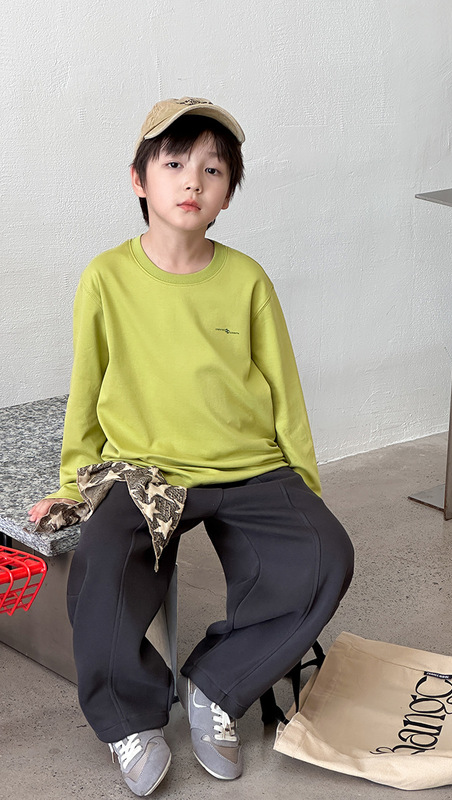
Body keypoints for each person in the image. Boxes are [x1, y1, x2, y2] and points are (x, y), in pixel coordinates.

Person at [28, 97, 354, 797]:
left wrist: (304, 486)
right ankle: (130, 721)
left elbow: (284, 389)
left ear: (227, 194)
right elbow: (86, 389)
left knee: (325, 556)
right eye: (174, 164)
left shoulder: (246, 279)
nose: (192, 182)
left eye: (212, 170)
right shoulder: (106, 277)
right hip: (147, 473)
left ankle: (217, 685)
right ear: (139, 179)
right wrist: (72, 487)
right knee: (101, 571)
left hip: (249, 466)